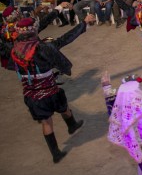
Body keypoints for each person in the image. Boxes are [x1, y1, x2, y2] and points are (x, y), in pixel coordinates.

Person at [1, 14, 95, 163]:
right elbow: (65, 39)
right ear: (34, 31)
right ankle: (72, 125)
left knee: (47, 122)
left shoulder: (13, 52)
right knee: (62, 106)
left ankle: (57, 152)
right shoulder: (44, 48)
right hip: (50, 89)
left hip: (32, 95)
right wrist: (83, 24)